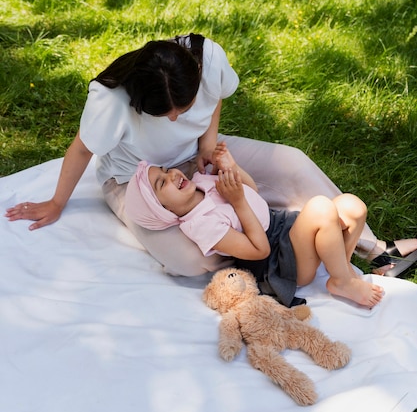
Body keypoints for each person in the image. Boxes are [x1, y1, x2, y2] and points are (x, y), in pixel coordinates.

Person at [5, 33, 417, 277]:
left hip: (195, 156)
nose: (172, 117)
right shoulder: (110, 99)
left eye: (180, 109)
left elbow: (215, 98)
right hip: (141, 180)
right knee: (188, 260)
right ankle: (276, 266)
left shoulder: (208, 58)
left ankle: (373, 249)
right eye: (160, 112)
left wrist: (207, 142)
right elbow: (80, 149)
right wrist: (57, 202)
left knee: (291, 162)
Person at [124, 141, 384, 309]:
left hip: (283, 227)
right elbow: (259, 250)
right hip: (279, 262)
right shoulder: (201, 226)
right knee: (320, 207)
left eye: (165, 170)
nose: (171, 175)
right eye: (162, 183)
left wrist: (232, 167)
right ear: (163, 210)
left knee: (353, 207)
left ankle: (343, 269)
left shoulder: (203, 181)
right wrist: (237, 202)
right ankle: (340, 281)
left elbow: (251, 192)